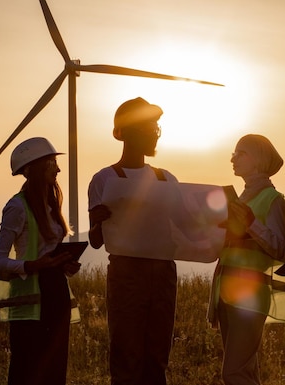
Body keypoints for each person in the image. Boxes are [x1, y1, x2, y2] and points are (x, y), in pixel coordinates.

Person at [88, 97, 178, 385]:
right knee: (126, 355)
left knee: (157, 355)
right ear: (124, 133)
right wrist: (98, 221)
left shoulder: (167, 179)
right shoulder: (104, 179)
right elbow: (96, 241)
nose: (154, 132)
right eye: (147, 127)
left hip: (163, 273)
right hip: (126, 275)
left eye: (155, 126)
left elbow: (184, 227)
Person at [0, 137, 81, 385]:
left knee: (55, 368)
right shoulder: (16, 207)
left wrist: (65, 264)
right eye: (52, 162)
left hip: (56, 292)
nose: (59, 169)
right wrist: (32, 266)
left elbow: (48, 251)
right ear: (35, 167)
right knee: (27, 368)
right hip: (31, 298)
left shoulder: (52, 206)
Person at [207, 134, 285, 385]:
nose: (233, 158)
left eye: (240, 153)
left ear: (258, 159)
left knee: (234, 373)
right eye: (233, 153)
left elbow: (278, 247)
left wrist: (251, 223)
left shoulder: (274, 200)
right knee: (245, 371)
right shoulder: (239, 199)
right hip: (226, 293)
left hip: (250, 296)